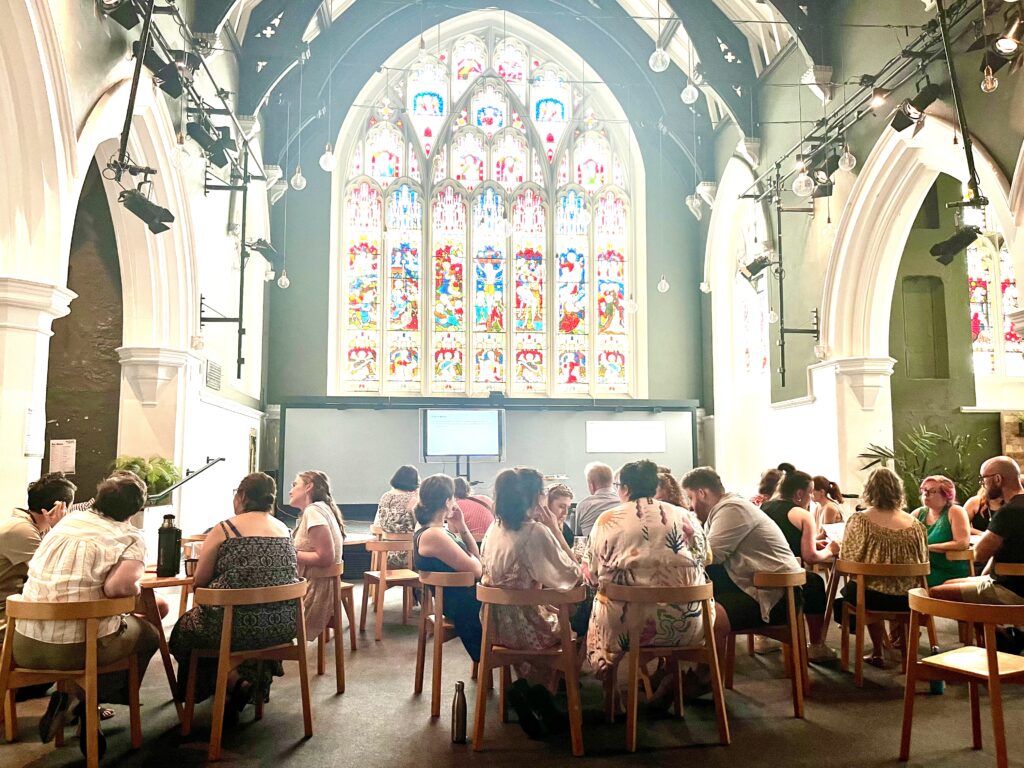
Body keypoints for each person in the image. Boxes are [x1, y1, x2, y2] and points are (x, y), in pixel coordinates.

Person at [14, 473, 159, 751]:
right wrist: (137, 586)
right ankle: (88, 703)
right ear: (135, 510)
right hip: (75, 647)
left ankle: (76, 701)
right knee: (148, 635)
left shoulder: (65, 523)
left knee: (94, 631)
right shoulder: (130, 536)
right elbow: (118, 587)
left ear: (98, 499)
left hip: (25, 643)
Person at [169, 473, 299, 715]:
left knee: (185, 631)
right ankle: (236, 689)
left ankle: (233, 682)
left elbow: (200, 583)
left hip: (232, 626)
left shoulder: (226, 529)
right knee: (242, 630)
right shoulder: (284, 530)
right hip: (282, 626)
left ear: (242, 496)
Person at [587, 460, 710, 683]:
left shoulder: (606, 520)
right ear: (654, 487)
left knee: (601, 602)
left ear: (625, 488)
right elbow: (706, 558)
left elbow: (593, 574)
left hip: (627, 628)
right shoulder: (686, 516)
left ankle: (608, 677)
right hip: (689, 625)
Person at [480, 467, 581, 736]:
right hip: (529, 629)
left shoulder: (493, 529)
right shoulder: (535, 532)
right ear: (536, 497)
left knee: (550, 616)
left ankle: (528, 689)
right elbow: (572, 577)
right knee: (574, 628)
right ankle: (543, 695)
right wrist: (555, 532)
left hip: (494, 625)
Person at [680, 467, 810, 666]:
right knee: (695, 607)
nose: (690, 506)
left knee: (705, 616)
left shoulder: (732, 509)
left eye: (690, 498)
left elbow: (711, 555)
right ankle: (699, 673)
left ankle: (705, 676)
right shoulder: (725, 508)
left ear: (701, 493)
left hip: (776, 597)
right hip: (760, 588)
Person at [837, 468, 928, 667]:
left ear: (868, 490)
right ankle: (906, 656)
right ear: (898, 490)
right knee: (872, 584)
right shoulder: (916, 525)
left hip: (871, 598)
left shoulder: (860, 520)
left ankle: (878, 651)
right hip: (909, 598)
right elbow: (923, 561)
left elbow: (849, 561)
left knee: (861, 585)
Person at [760, 470, 839, 661]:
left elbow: (782, 541)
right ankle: (816, 645)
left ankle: (762, 639)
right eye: (810, 493)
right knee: (815, 583)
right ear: (799, 494)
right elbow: (810, 557)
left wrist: (814, 543)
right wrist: (830, 550)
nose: (811, 498)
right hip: (788, 578)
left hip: (760, 575)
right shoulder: (802, 515)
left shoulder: (765, 507)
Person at [931, 456, 1024, 605]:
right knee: (949, 583)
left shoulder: (1008, 511)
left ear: (997, 479)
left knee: (936, 592)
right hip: (1013, 581)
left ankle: (993, 621)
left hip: (1011, 589)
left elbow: (979, 554)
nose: (982, 484)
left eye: (983, 479)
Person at [412, 474, 483, 661]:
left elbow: (476, 559)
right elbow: (477, 569)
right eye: (453, 498)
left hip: (464, 601)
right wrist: (476, 561)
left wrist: (461, 526)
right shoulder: (434, 535)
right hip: (463, 607)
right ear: (447, 501)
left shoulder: (436, 530)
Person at [0, 473, 76, 645]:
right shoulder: (22, 530)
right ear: (59, 507)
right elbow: (54, 573)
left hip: (13, 603)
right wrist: (60, 527)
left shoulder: (36, 526)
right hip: (5, 610)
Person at [289, 470, 346, 639]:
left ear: (308, 487)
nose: (290, 491)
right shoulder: (322, 509)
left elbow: (325, 558)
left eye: (294, 485)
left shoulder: (313, 511)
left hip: (313, 593)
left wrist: (290, 553)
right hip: (318, 585)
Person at [912, 475, 970, 587]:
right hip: (924, 568)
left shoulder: (955, 511)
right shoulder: (918, 513)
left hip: (949, 571)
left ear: (947, 495)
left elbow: (962, 543)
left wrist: (927, 548)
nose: (926, 494)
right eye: (924, 490)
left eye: (932, 491)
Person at [374, 465, 420, 568]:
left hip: (386, 552)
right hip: (408, 554)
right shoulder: (413, 499)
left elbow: (377, 523)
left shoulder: (385, 496)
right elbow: (419, 525)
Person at [569, 462, 618, 538]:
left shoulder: (584, 505)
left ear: (592, 485)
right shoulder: (623, 502)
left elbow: (578, 537)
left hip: (593, 545)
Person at [453, 476, 494, 541]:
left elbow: (452, 533)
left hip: (474, 542)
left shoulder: (455, 506)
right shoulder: (485, 498)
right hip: (491, 540)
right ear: (468, 488)